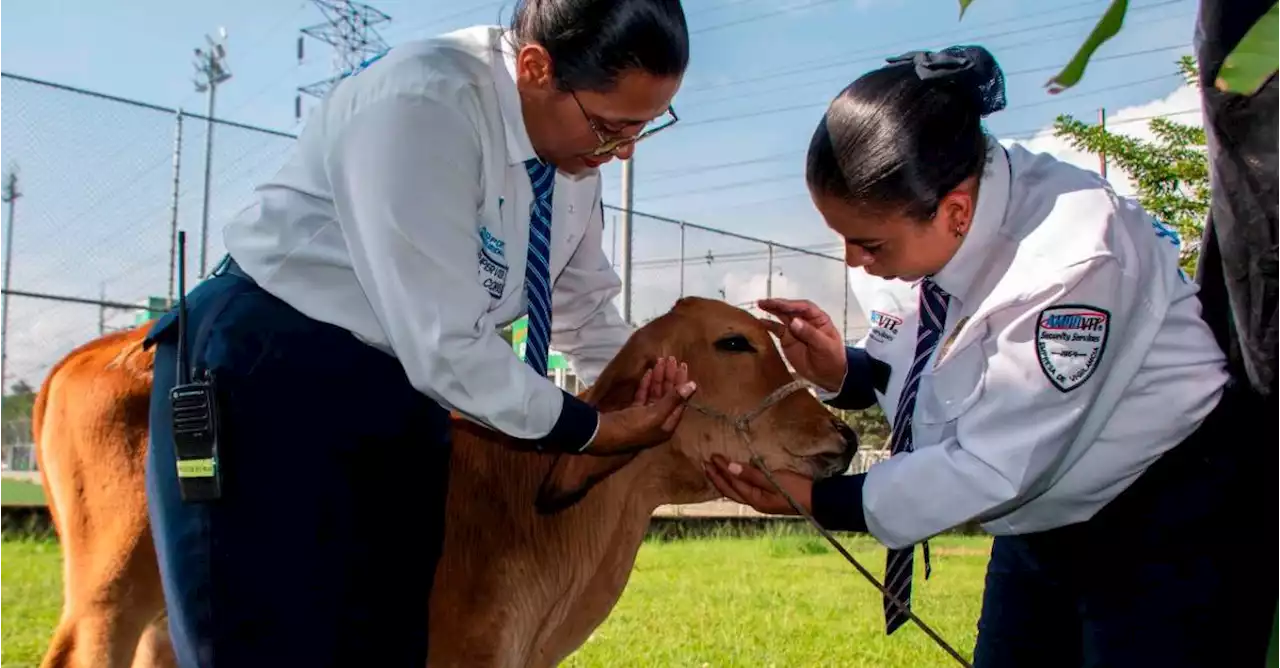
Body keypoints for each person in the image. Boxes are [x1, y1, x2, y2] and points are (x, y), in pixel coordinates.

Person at [142, 1, 697, 666]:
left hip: (400, 391)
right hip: (272, 366)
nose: (623, 149)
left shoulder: (572, 158)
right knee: (262, 641)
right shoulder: (426, 101)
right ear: (534, 67)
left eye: (643, 127)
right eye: (611, 125)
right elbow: (447, 342)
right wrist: (594, 429)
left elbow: (582, 306)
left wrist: (648, 390)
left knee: (387, 640)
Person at [707, 45, 1275, 667]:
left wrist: (814, 499)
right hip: (1041, 523)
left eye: (867, 244)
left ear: (955, 211)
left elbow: (992, 461)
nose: (851, 260)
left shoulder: (1073, 263)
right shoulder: (926, 214)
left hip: (1163, 521)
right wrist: (848, 373)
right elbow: (947, 375)